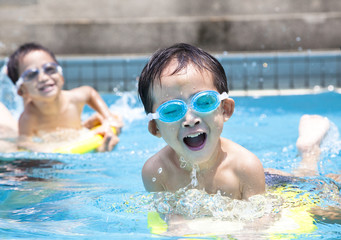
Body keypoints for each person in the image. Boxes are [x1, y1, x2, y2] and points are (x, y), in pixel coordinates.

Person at [138, 43, 265, 200]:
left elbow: (261, 223)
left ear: (225, 109)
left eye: (204, 102)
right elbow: (162, 220)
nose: (190, 120)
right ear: (155, 127)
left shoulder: (246, 168)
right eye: (171, 111)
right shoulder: (156, 173)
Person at [6, 42, 123, 152]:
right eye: (31, 74)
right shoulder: (28, 117)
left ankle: (86, 124)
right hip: (54, 139)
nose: (43, 77)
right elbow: (24, 143)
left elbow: (89, 92)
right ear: (21, 90)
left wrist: (108, 117)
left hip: (74, 133)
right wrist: (50, 150)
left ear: (61, 77)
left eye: (50, 69)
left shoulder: (74, 99)